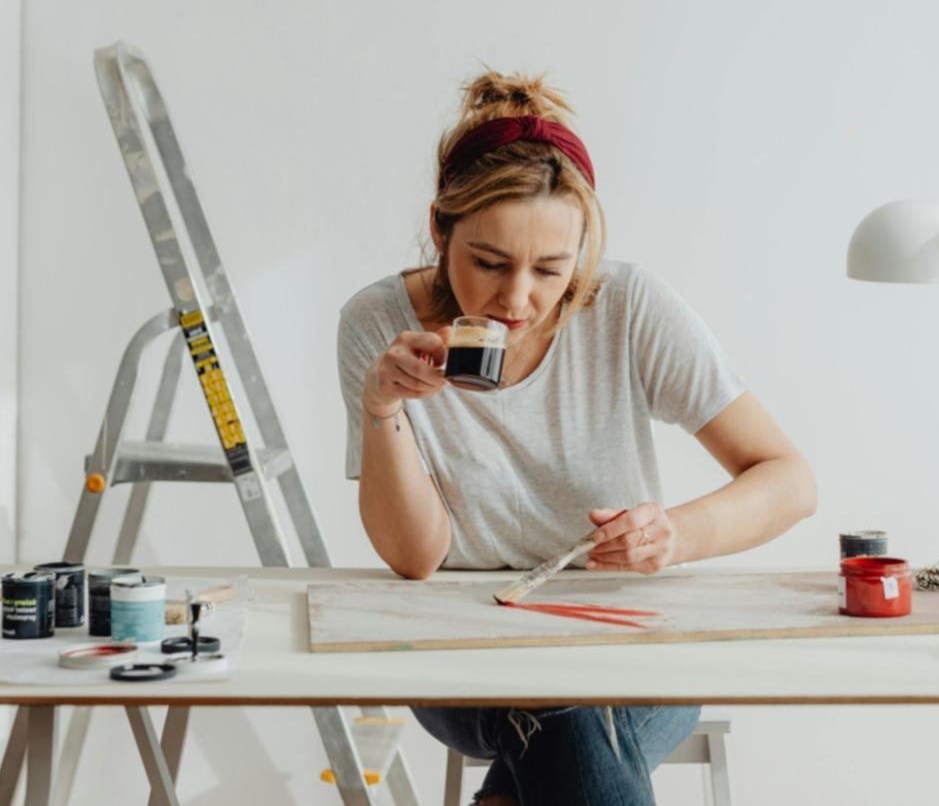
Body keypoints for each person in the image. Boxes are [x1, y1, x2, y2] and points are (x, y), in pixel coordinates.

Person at [337, 70, 816, 806]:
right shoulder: (377, 325)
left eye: (550, 270)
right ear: (440, 229)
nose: (518, 298)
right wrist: (382, 407)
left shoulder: (628, 308)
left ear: (581, 253)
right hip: (459, 658)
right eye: (488, 264)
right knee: (564, 707)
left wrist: (675, 536)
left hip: (625, 644)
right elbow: (413, 556)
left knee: (563, 711)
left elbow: (788, 480)